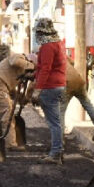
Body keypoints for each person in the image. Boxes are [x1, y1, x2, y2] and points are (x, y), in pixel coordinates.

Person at [30, 18, 67, 165]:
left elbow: (46, 68)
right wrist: (34, 75)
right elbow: (45, 67)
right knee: (56, 121)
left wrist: (37, 89)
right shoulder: (57, 44)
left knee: (54, 123)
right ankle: (59, 151)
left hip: (49, 87)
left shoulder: (47, 47)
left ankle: (55, 153)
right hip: (58, 84)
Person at [0, 52, 35, 150]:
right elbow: (15, 62)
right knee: (8, 113)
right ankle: (10, 144)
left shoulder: (18, 70)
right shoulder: (18, 56)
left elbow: (12, 88)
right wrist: (33, 66)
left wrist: (20, 98)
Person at [60, 57, 94, 141]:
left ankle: (59, 140)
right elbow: (72, 63)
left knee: (61, 111)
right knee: (87, 104)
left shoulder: (48, 58)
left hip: (66, 83)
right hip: (78, 80)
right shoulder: (62, 54)